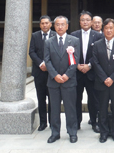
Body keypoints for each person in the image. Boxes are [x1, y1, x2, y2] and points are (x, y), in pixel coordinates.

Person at [44, 16, 80, 144]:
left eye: (62, 24)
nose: (60, 27)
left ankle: (72, 132)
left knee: (70, 108)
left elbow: (75, 60)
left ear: (67, 26)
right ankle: (55, 133)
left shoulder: (74, 41)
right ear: (54, 26)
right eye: (57, 24)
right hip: (53, 81)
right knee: (54, 109)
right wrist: (55, 75)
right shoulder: (48, 42)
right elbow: (47, 60)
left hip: (68, 81)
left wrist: (66, 75)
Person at [91, 18, 114, 143]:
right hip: (101, 83)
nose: (109, 30)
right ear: (103, 29)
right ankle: (104, 132)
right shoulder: (97, 44)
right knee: (102, 109)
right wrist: (104, 78)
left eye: (111, 28)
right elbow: (95, 63)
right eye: (106, 28)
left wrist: (112, 78)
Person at [71, 11, 102, 132]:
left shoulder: (98, 36)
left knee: (94, 99)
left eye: (88, 20)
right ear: (79, 22)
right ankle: (77, 122)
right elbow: (70, 54)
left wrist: (89, 65)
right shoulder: (73, 35)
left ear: (91, 22)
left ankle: (94, 122)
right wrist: (77, 65)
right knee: (76, 99)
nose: (85, 22)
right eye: (83, 20)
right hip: (77, 73)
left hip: (92, 73)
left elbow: (99, 54)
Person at [28, 15, 56, 132]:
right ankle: (43, 122)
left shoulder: (55, 35)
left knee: (52, 98)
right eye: (42, 23)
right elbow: (32, 51)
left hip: (52, 72)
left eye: (46, 23)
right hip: (39, 72)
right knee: (41, 98)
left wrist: (48, 65)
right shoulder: (35, 36)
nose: (44, 25)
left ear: (50, 24)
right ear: (40, 25)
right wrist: (41, 64)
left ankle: (53, 122)